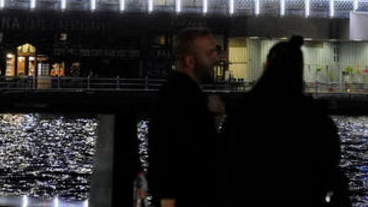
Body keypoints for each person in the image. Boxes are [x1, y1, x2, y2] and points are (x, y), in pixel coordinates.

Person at [220, 35, 351, 206]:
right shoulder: (315, 118)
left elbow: (225, 161)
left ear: (266, 66)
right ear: (300, 71)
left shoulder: (243, 112)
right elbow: (330, 165)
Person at [147, 28, 224, 207]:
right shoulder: (192, 100)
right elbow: (204, 155)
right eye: (210, 53)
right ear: (190, 61)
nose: (216, 58)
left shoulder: (171, 92)